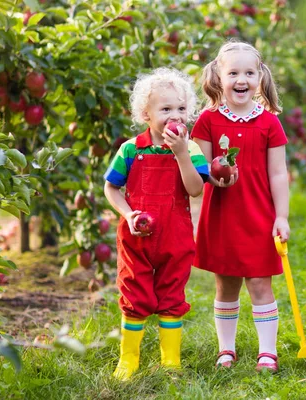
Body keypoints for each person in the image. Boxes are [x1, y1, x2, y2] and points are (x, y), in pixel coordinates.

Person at [103, 67, 209, 381]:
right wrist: (128, 214)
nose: (174, 115)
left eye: (181, 109)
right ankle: (128, 360)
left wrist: (180, 155)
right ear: (146, 114)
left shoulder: (189, 149)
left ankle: (170, 361)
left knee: (172, 295)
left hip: (175, 236)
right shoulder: (131, 150)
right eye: (165, 109)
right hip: (136, 236)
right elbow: (111, 187)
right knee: (134, 295)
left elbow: (195, 189)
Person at [191, 41, 290, 373]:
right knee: (227, 282)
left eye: (249, 72)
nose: (241, 80)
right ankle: (226, 349)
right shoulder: (208, 121)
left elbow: (278, 173)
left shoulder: (269, 123)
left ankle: (267, 351)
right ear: (219, 77)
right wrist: (215, 177)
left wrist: (282, 216)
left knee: (261, 283)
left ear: (260, 77)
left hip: (259, 214)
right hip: (223, 214)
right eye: (233, 72)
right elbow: (201, 168)